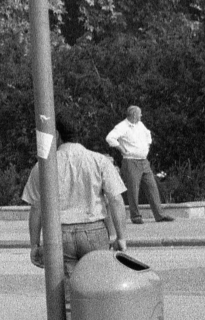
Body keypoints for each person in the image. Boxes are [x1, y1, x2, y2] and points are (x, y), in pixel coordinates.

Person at [29, 113, 131, 276]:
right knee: (95, 287)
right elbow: (115, 199)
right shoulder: (99, 161)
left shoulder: (43, 166)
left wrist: (35, 244)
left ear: (56, 135)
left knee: (67, 290)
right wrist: (120, 237)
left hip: (58, 232)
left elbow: (36, 207)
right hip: (94, 229)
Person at [103, 106, 172, 224]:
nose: (141, 116)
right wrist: (120, 148)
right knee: (134, 189)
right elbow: (110, 138)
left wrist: (147, 146)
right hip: (131, 161)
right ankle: (135, 216)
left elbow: (147, 134)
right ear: (134, 115)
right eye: (139, 114)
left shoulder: (140, 124)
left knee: (152, 187)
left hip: (143, 160)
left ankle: (159, 215)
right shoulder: (122, 127)